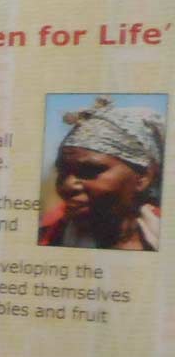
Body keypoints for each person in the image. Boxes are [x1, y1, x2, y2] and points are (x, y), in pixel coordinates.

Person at [38, 96, 164, 250]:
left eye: (89, 171)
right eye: (62, 171)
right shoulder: (48, 237)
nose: (67, 185)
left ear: (143, 177)